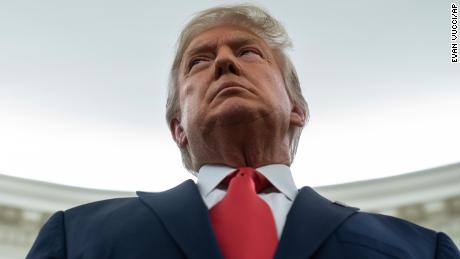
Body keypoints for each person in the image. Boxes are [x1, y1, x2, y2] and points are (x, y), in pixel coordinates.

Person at [27, 4, 459, 259]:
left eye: (249, 52)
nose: (224, 62)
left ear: (298, 109)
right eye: (199, 60)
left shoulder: (421, 250)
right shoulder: (77, 237)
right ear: (177, 127)